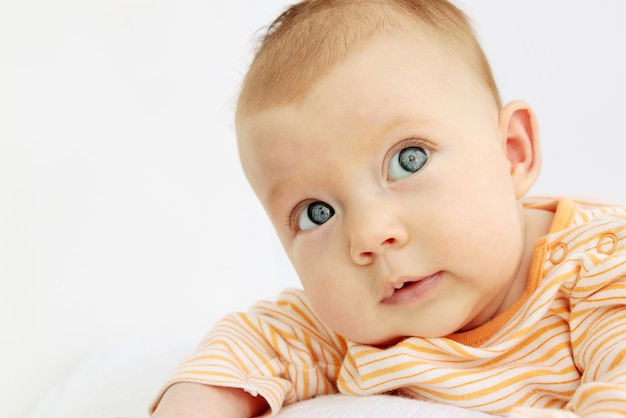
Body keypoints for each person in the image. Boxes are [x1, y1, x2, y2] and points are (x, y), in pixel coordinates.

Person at [151, 0, 626, 416]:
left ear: (512, 152)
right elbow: (259, 344)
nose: (369, 234)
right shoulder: (356, 322)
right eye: (318, 212)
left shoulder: (604, 272)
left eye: (407, 160)